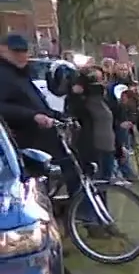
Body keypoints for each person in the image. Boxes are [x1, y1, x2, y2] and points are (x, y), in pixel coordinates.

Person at [0, 34, 81, 197]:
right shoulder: (4, 75)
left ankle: (74, 208)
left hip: (41, 135)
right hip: (24, 139)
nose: (23, 55)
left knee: (71, 165)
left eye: (24, 51)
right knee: (62, 168)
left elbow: (37, 103)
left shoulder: (20, 74)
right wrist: (33, 116)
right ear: (3, 51)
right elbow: (4, 107)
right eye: (17, 52)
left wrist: (59, 116)